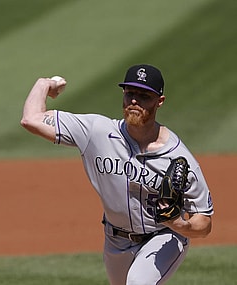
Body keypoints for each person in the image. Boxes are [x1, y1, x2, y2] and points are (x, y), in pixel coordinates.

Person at [20, 64, 214, 285]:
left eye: (144, 96)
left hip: (163, 237)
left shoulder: (180, 158)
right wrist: (44, 84)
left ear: (159, 101)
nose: (134, 101)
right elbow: (31, 119)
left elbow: (204, 222)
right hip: (115, 242)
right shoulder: (96, 131)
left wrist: (180, 225)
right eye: (130, 93)